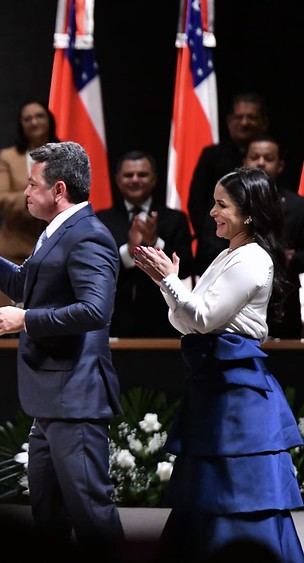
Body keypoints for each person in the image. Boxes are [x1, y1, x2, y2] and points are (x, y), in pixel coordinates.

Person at [0, 141, 125, 549]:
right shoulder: (60, 232)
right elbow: (23, 284)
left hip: (75, 400)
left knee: (90, 513)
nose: (25, 194)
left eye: (32, 185)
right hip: (51, 402)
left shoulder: (88, 236)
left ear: (59, 190)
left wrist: (26, 319)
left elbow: (94, 312)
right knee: (48, 515)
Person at [133, 167, 304, 562]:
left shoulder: (253, 258)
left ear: (248, 214)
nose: (211, 212)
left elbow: (203, 318)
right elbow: (184, 321)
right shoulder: (228, 255)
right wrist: (169, 283)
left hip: (237, 390)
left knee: (240, 487)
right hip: (214, 385)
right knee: (208, 487)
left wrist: (168, 281)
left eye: (221, 204)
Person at [96, 150, 194, 337]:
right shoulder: (101, 220)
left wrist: (155, 243)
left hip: (163, 322)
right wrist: (128, 252)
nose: (135, 179)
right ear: (117, 180)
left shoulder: (174, 219)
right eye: (128, 175)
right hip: (114, 321)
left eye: (142, 174)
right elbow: (96, 269)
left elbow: (187, 267)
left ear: (154, 179)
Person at [187, 91, 269, 275]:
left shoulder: (270, 158)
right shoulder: (212, 156)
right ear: (229, 121)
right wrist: (215, 235)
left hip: (262, 247)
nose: (245, 122)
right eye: (239, 117)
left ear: (264, 122)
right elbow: (197, 203)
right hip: (214, 247)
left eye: (251, 117)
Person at [0, 99, 53, 307]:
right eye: (27, 119)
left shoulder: (65, 155)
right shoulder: (9, 156)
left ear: (50, 120)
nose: (34, 122)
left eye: (39, 116)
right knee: (8, 326)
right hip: (14, 250)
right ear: (21, 126)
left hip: (55, 248)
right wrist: (37, 195)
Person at [243, 135, 304, 339]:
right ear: (245, 162)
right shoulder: (228, 202)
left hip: (284, 304)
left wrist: (291, 258)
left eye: (268, 158)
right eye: (255, 157)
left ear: (280, 165)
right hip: (238, 303)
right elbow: (208, 247)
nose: (260, 162)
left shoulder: (299, 206)